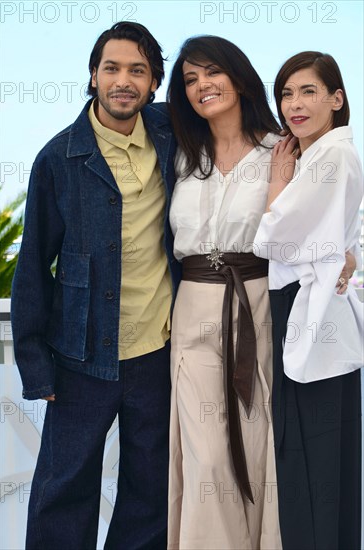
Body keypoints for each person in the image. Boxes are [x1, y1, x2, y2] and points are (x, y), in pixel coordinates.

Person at [11, 22, 181, 550]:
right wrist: (37, 368)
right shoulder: (57, 158)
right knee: (65, 488)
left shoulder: (171, 135)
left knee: (151, 491)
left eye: (138, 70)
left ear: (154, 83)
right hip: (80, 359)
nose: (123, 81)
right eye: (112, 68)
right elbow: (33, 269)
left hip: (157, 354)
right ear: (92, 76)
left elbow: (239, 129)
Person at [166, 35, 283, 550]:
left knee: (258, 442)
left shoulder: (282, 148)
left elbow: (319, 219)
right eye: (190, 79)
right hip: (192, 310)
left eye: (211, 72)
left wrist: (343, 252)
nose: (201, 86)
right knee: (207, 454)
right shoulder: (178, 154)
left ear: (238, 76)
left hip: (258, 304)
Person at [254, 51, 363, 549]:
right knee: (326, 466)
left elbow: (273, 239)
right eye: (286, 93)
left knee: (309, 464)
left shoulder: (331, 155)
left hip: (310, 316)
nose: (294, 104)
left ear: (337, 100)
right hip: (316, 316)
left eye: (309, 91)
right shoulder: (320, 154)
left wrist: (277, 183)